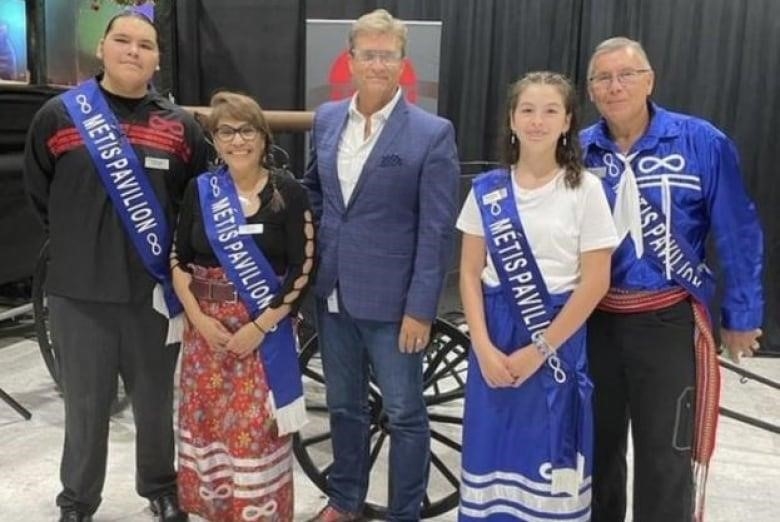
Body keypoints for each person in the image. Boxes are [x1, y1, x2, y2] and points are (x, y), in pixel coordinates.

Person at [23, 11, 209, 522]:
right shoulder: (59, 116)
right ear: (101, 49)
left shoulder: (182, 127)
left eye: (145, 45)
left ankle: (160, 488)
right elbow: (40, 196)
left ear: (157, 59)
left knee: (154, 406)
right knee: (85, 409)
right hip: (78, 295)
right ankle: (78, 501)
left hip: (152, 297)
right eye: (123, 41)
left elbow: (194, 205)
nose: (133, 51)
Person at [580, 37, 764, 522]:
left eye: (626, 74)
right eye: (603, 78)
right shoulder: (577, 150)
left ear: (649, 80)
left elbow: (738, 231)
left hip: (666, 321)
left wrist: (742, 315)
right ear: (591, 90)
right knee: (594, 452)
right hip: (591, 321)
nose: (615, 86)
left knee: (665, 455)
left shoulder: (702, 142)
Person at [302, 9, 460, 522]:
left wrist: (421, 308)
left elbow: (436, 230)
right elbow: (315, 192)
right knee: (345, 408)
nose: (376, 63)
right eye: (367, 54)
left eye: (386, 55)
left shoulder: (432, 133)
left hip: (394, 306)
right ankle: (345, 499)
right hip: (332, 293)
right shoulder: (326, 119)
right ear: (350, 60)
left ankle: (404, 511)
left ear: (401, 63)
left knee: (406, 414)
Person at [456, 71, 618, 521]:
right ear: (511, 119)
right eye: (527, 110)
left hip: (557, 334)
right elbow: (469, 273)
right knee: (493, 450)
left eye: (550, 111)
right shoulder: (487, 190)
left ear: (567, 121)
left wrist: (542, 348)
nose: (537, 121)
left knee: (547, 453)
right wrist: (482, 346)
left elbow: (595, 282)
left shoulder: (586, 190)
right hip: (494, 333)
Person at [171, 91, 313, 522]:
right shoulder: (202, 190)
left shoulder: (287, 192)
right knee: (209, 428)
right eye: (226, 131)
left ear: (263, 137)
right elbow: (178, 259)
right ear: (214, 140)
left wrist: (261, 326)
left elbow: (303, 266)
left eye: (246, 129)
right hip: (206, 335)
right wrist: (197, 319)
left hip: (262, 331)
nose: (238, 140)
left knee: (256, 434)